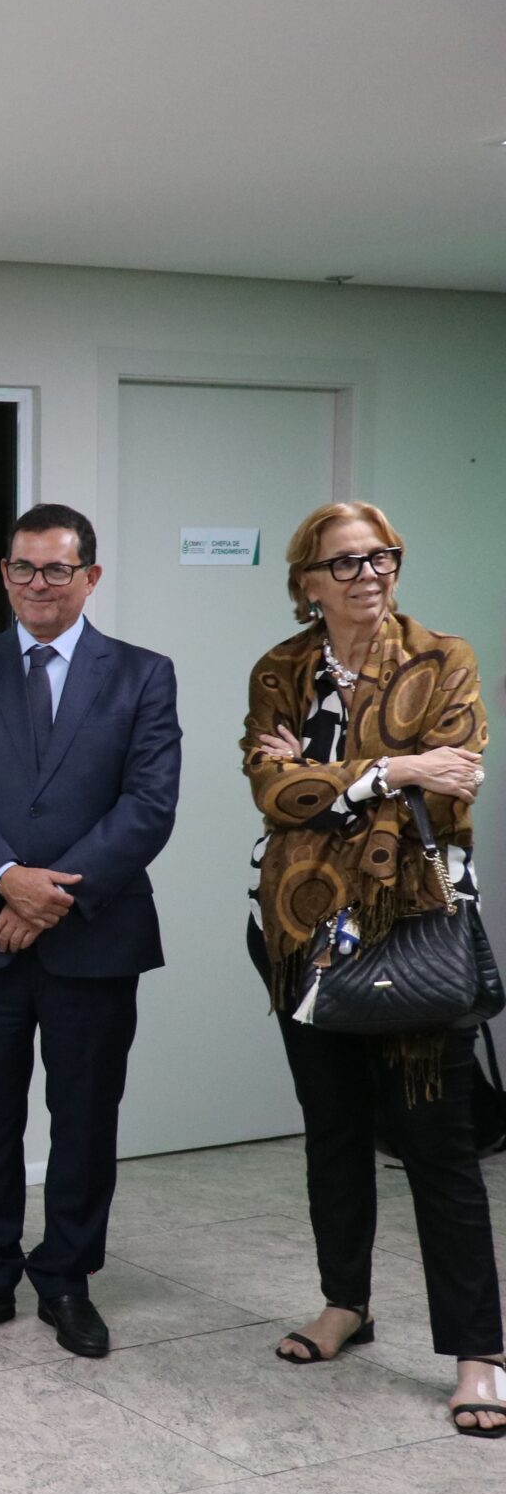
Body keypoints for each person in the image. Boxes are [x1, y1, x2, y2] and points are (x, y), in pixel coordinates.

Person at [240, 501, 505, 1436]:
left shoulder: (444, 658)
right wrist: (398, 770)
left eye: (381, 557)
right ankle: (344, 1303)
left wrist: (341, 777)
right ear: (307, 582)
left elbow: (460, 774)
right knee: (334, 1131)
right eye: (344, 563)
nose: (367, 575)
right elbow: (273, 792)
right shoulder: (280, 669)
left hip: (411, 932)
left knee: (437, 1145)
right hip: (300, 935)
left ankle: (480, 1352)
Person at [0, 503, 180, 1359]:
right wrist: (6, 881)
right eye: (23, 568)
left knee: (85, 1115)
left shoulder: (142, 674)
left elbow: (148, 804)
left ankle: (65, 1276)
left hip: (93, 936)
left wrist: (52, 895)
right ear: (4, 574)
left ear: (90, 577)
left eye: (56, 569)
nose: (37, 584)